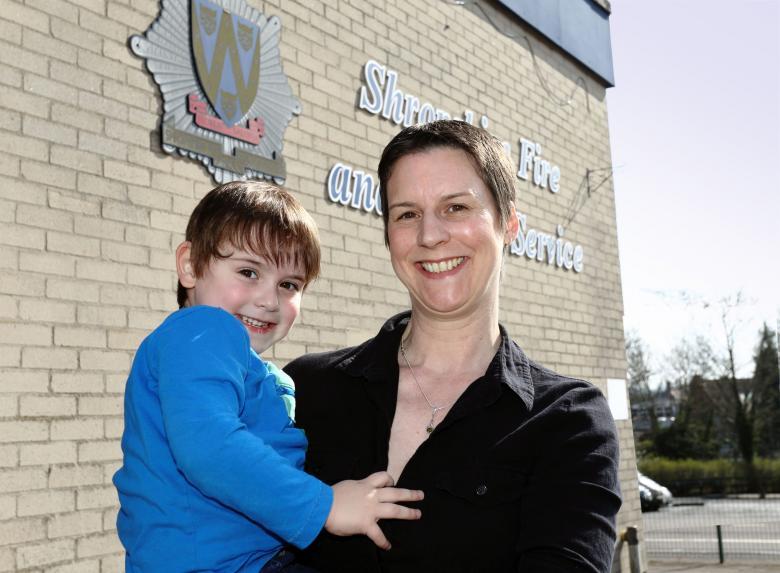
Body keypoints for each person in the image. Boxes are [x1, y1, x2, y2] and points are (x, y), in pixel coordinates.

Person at [285, 120, 622, 572]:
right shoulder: (304, 389)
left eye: (456, 207)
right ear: (388, 236)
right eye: (406, 214)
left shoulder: (567, 422)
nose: (429, 236)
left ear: (509, 225)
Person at [113, 181, 423, 573]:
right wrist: (324, 505)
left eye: (289, 284)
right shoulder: (203, 330)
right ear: (190, 265)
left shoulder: (225, 356)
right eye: (248, 271)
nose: (269, 299)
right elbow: (210, 447)